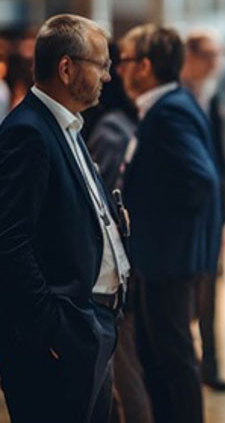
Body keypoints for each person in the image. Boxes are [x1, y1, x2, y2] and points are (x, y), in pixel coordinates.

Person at [0, 14, 130, 422]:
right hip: (61, 335)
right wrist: (53, 331)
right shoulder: (28, 133)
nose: (108, 76)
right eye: (102, 65)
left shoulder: (68, 125)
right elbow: (9, 242)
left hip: (92, 324)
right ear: (67, 67)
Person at [118, 24, 221, 423]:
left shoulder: (170, 110)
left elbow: (201, 179)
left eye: (124, 61)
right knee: (159, 360)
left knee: (173, 362)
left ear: (144, 66)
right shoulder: (168, 105)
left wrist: (157, 229)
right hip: (164, 259)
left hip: (167, 261)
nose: (118, 71)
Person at [85, 43, 153, 423]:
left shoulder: (111, 128)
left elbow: (103, 208)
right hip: (128, 268)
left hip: (114, 274)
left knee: (122, 371)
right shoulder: (126, 121)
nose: (113, 74)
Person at [179, 27, 225, 392]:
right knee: (185, 292)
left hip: (214, 208)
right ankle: (188, 363)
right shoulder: (179, 96)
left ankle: (210, 363)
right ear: (192, 56)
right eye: (210, 54)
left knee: (210, 289)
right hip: (185, 212)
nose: (217, 62)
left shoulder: (216, 94)